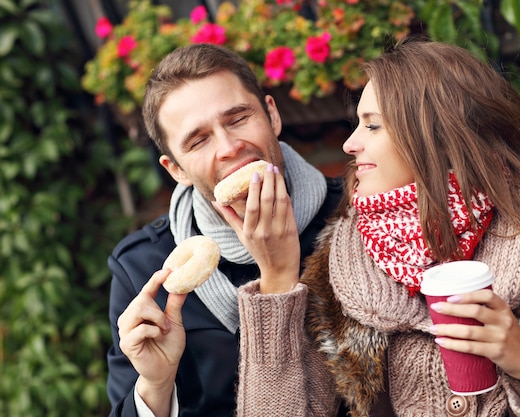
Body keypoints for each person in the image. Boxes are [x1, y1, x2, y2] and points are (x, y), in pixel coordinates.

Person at [233, 38, 520, 416]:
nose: (349, 145)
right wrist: (275, 281)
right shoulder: (343, 260)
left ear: (437, 136)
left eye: (372, 126)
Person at [106, 43, 344, 417]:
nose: (230, 147)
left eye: (238, 118)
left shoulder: (353, 214)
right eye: (198, 140)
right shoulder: (143, 268)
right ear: (176, 170)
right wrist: (156, 386)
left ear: (272, 114)